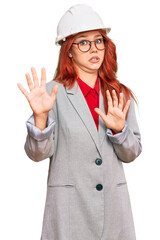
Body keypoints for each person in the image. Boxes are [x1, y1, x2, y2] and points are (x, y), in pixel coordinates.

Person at [17, 4, 142, 240]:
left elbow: (132, 153)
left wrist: (119, 130)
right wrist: (41, 117)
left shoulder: (119, 94)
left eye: (98, 41)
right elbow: (37, 154)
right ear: (68, 50)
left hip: (114, 212)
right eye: (83, 42)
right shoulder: (51, 94)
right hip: (69, 213)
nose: (93, 48)